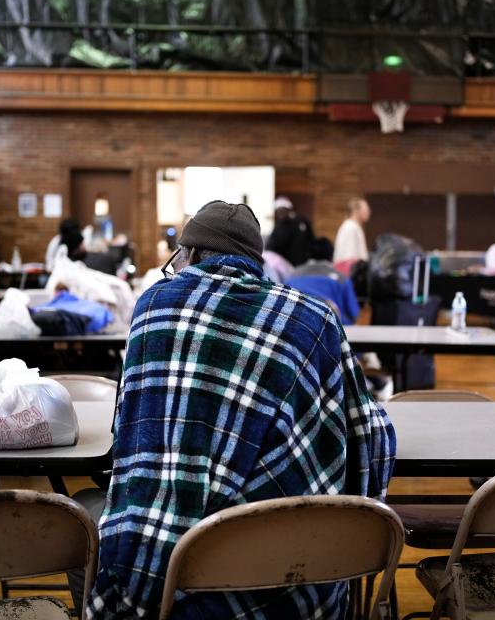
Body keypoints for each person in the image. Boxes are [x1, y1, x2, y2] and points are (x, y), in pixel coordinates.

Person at [80, 201, 396, 619]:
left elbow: (130, 431)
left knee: (91, 523)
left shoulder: (154, 305)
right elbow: (367, 431)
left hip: (172, 581)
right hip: (292, 579)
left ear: (188, 256)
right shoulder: (313, 317)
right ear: (255, 264)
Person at [265, 196, 314, 266]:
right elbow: (271, 247)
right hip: (286, 266)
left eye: (282, 210)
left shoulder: (302, 222)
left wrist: (311, 256)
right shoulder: (278, 228)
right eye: (278, 210)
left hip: (304, 264)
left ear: (289, 209)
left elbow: (311, 239)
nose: (280, 213)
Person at [333, 197, 371, 265]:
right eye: (366, 209)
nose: (369, 212)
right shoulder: (350, 227)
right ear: (356, 210)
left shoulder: (354, 226)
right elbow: (348, 257)